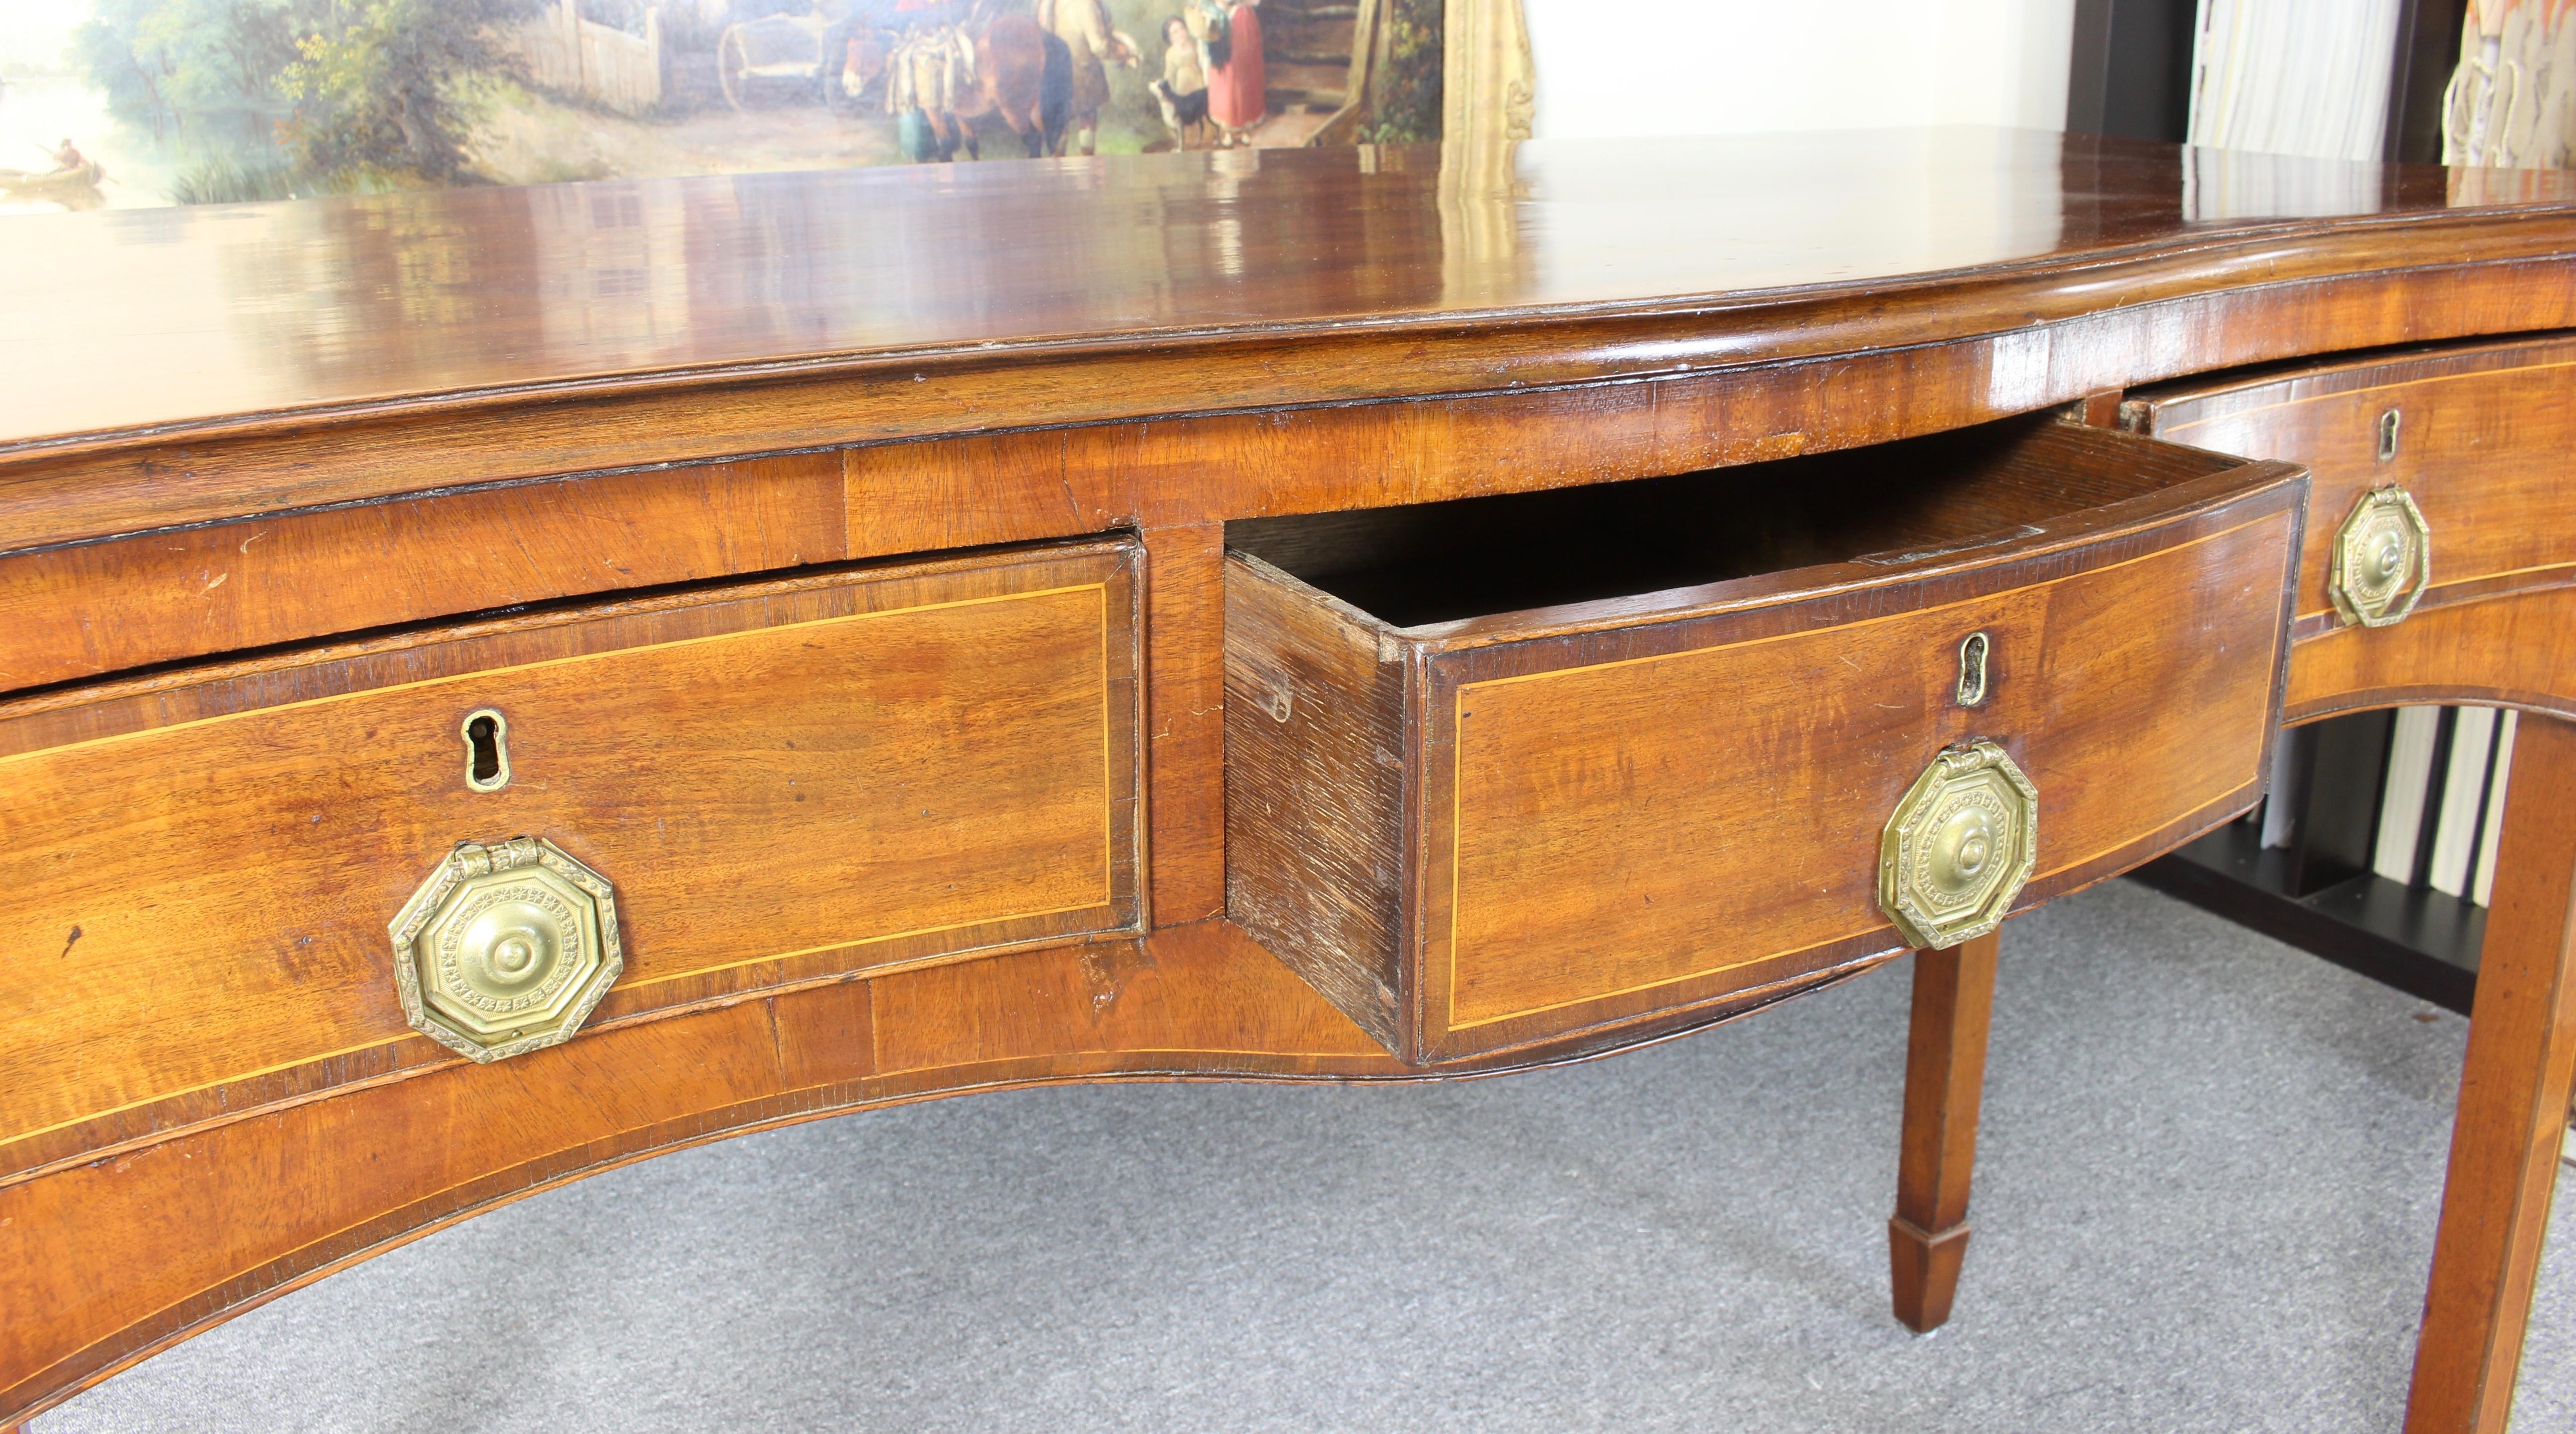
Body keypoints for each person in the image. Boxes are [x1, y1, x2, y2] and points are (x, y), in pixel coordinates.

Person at [1034, 0, 1129, 156]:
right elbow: (1098, 46)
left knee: (1061, 122)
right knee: (1087, 117)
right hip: (1084, 73)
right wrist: (1119, 52)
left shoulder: (1050, 4)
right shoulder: (1086, 4)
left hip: (1058, 75)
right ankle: (1088, 164)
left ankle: (1058, 168)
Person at [1200, 0, 1263, 146]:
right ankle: (1228, 133)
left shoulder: (1244, 12)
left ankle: (1246, 130)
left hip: (1243, 27)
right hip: (1220, 34)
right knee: (1225, 85)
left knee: (1243, 83)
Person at [1151, 15, 1211, 148]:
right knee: (1185, 117)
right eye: (1175, 32)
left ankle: (1204, 140)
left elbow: (1204, 62)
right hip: (1182, 89)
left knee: (1202, 113)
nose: (1180, 33)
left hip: (1199, 86)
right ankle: (1186, 144)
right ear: (1169, 38)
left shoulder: (1196, 45)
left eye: (1182, 28)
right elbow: (1169, 76)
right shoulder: (1171, 53)